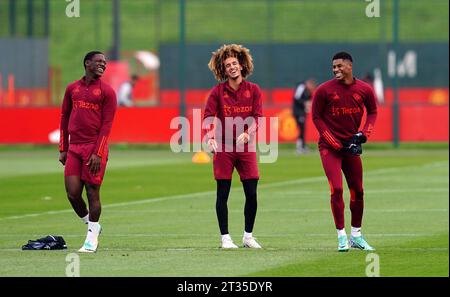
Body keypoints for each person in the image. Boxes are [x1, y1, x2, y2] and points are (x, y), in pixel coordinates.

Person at [311, 51, 377, 252]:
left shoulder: (365, 89)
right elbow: (316, 117)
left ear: (350, 66)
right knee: (337, 189)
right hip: (329, 148)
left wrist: (363, 135)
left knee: (358, 190)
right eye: (333, 67)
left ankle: (356, 235)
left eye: (339, 66)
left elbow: (373, 112)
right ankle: (341, 236)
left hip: (351, 146)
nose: (336, 70)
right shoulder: (324, 90)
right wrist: (332, 140)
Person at [204, 44, 263, 249]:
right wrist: (209, 136)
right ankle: (225, 238)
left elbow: (257, 117)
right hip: (223, 148)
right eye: (228, 65)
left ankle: (248, 236)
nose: (232, 67)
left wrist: (248, 133)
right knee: (223, 193)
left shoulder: (254, 90)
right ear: (223, 69)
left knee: (252, 193)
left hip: (246, 148)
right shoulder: (217, 92)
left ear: (242, 65)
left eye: (234, 63)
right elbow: (208, 117)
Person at [59, 51, 117, 253]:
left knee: (92, 193)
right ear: (87, 63)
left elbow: (107, 126)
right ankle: (92, 226)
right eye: (99, 62)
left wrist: (98, 152)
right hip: (74, 148)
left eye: (105, 63)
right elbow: (64, 118)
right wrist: (63, 148)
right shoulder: (72, 89)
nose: (103, 65)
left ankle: (91, 239)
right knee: (73, 194)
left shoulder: (107, 92)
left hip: (94, 147)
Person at [292, 79, 316, 154]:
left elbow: (309, 101)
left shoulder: (309, 92)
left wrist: (307, 107)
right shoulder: (301, 87)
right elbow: (296, 98)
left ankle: (302, 146)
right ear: (308, 84)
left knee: (302, 129)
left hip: (303, 112)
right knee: (301, 129)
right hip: (298, 112)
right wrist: (304, 103)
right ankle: (300, 147)